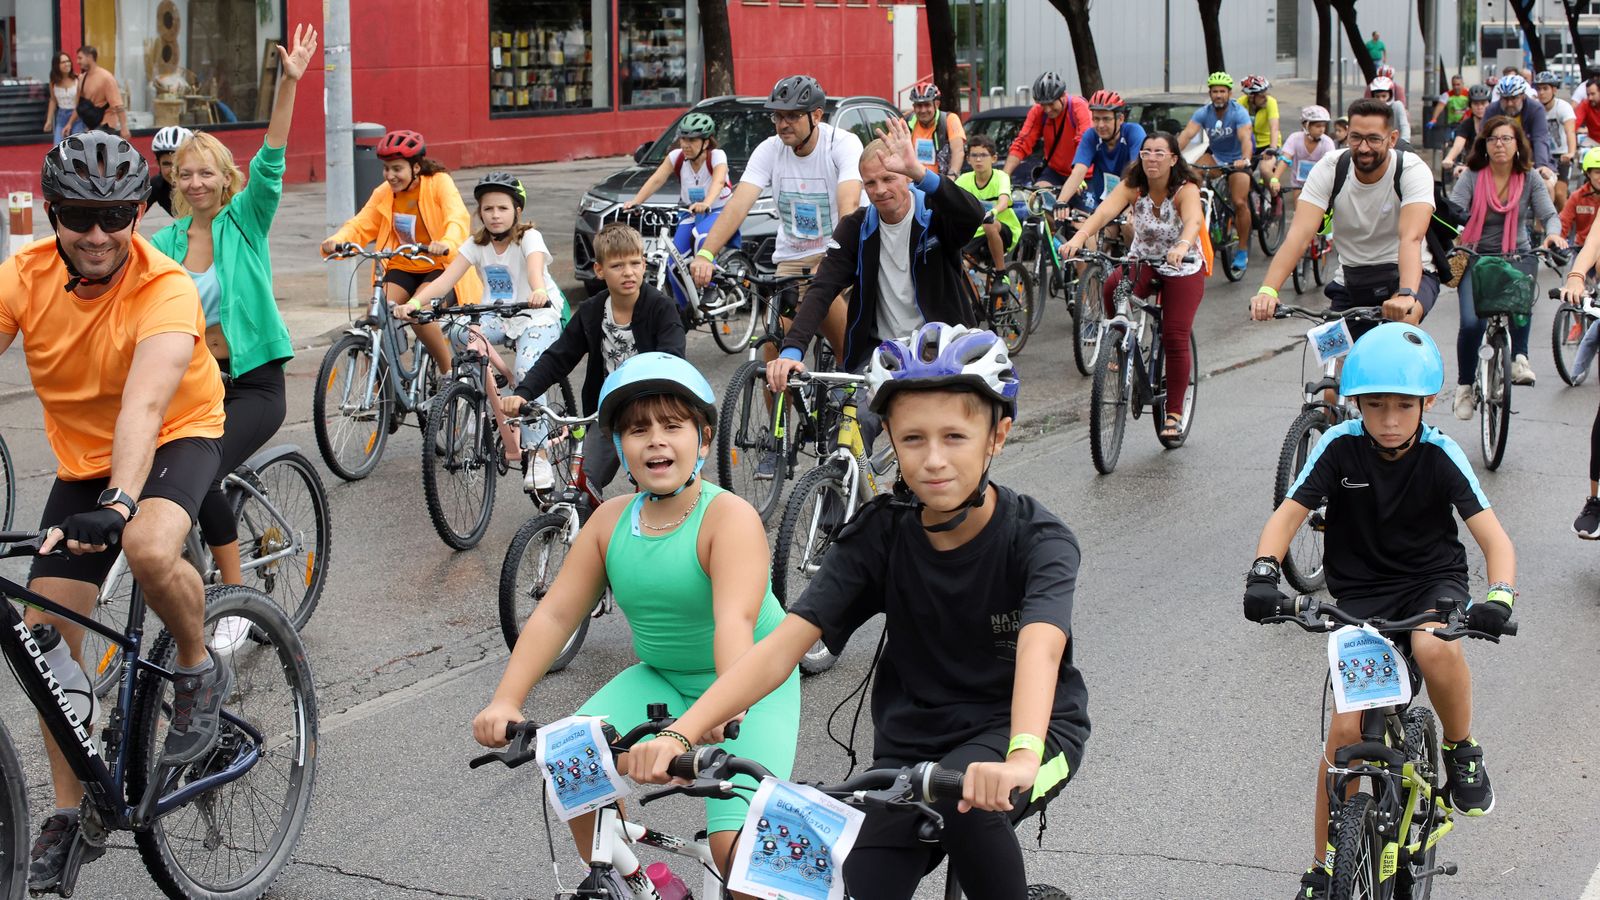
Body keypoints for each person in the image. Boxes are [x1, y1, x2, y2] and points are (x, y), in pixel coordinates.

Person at [627, 323, 1088, 900]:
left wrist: (1021, 756)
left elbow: (1040, 648)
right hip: (908, 756)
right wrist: (681, 734)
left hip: (1029, 738)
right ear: (890, 438)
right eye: (913, 439)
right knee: (827, 883)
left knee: (969, 805)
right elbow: (780, 648)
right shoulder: (880, 534)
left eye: (955, 437)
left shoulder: (1039, 540)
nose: (934, 459)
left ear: (997, 436)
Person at [1, 132, 233, 892]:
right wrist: (99, 488)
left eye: (114, 217)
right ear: (52, 213)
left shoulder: (163, 284)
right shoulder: (23, 276)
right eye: (77, 216)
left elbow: (145, 403)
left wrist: (122, 499)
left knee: (149, 545)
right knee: (40, 640)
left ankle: (197, 668)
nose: (97, 235)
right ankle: (73, 812)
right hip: (83, 462)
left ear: (137, 212)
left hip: (175, 433)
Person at [473, 352, 801, 890]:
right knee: (572, 771)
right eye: (637, 429)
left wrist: (711, 718)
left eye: (673, 426)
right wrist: (506, 700)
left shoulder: (729, 519)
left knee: (738, 857)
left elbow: (734, 625)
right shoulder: (608, 521)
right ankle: (650, 883)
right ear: (621, 445)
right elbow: (555, 614)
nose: (655, 440)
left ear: (703, 437)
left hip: (748, 687)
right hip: (662, 676)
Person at [1244, 322, 1517, 900]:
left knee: (1431, 644)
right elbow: (1289, 513)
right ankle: (1323, 869)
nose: (1389, 419)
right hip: (1361, 598)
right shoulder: (1338, 446)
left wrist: (1499, 596)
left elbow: (1495, 541)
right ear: (1355, 403)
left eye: (1403, 406)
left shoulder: (1441, 454)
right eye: (1374, 405)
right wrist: (1264, 569)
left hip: (1429, 586)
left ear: (1427, 402)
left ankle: (1461, 751)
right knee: (1343, 737)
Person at [148, 24, 316, 653]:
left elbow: (272, 155)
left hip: (252, 384)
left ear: (224, 180)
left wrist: (289, 83)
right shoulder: (160, 246)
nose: (194, 183)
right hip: (193, 385)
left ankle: (235, 597)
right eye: (182, 174)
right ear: (172, 180)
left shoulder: (244, 223)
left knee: (205, 471)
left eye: (205, 174)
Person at [764, 115, 985, 395]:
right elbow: (822, 288)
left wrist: (922, 173)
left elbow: (973, 215)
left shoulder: (933, 212)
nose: (879, 190)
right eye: (870, 183)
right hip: (881, 356)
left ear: (907, 178)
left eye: (888, 178)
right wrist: (792, 350)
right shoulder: (856, 227)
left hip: (942, 351)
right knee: (850, 427)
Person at [687, 75, 862, 385]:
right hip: (792, 258)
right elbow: (738, 205)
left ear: (816, 116)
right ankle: (776, 432)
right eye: (778, 116)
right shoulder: (770, 150)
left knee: (843, 343)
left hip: (839, 250)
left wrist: (834, 254)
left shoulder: (842, 144)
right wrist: (705, 252)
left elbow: (848, 207)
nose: (783, 124)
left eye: (792, 115)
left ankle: (846, 392)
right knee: (773, 351)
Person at [406, 172, 567, 491]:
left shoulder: (528, 238)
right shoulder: (476, 244)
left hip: (537, 315)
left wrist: (537, 290)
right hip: (496, 316)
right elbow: (444, 281)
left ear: (517, 211)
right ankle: (481, 388)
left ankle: (537, 454)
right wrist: (414, 302)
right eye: (488, 209)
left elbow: (535, 269)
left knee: (526, 370)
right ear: (479, 212)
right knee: (454, 330)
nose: (495, 215)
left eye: (502, 208)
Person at [501, 222, 686, 490]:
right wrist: (524, 392)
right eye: (617, 266)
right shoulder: (592, 311)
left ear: (644, 265)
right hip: (608, 413)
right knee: (582, 487)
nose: (628, 273)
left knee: (657, 488)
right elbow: (558, 357)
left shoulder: (661, 308)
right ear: (599, 270)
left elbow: (672, 359)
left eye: (635, 263)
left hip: (655, 413)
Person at [1062, 131, 1204, 440]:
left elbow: (1193, 221)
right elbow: (1102, 213)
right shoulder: (1133, 186)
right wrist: (1078, 237)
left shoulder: (1185, 189)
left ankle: (1175, 412)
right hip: (1143, 261)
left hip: (1183, 266)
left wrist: (1181, 246)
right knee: (1112, 287)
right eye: (1146, 152)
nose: (1152, 158)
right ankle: (1123, 343)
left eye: (1159, 153)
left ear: (1173, 159)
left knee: (1174, 335)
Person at [1251, 100, 1439, 333]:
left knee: (1399, 332)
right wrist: (1268, 290)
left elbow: (1411, 238)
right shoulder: (1331, 168)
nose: (1363, 147)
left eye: (1373, 139)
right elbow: (1299, 235)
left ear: (1392, 139)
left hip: (1405, 274)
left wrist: (1406, 294)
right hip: (1352, 279)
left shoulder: (1411, 170)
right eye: (1356, 137)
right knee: (1336, 356)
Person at [323, 128, 481, 374]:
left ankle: (448, 371)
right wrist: (338, 239)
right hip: (403, 265)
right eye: (386, 168)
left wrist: (447, 241)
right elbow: (361, 223)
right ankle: (378, 393)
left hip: (441, 267)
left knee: (419, 313)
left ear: (416, 167)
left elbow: (456, 217)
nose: (390, 175)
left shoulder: (439, 183)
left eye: (397, 169)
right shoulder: (385, 193)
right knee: (376, 313)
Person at [1449, 116, 1566, 408]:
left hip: (1518, 254)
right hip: (1476, 256)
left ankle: (1519, 359)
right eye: (1492, 139)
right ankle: (1464, 387)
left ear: (1518, 145)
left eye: (1506, 138)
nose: (1499, 144)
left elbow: (1550, 215)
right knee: (1471, 323)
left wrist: (1552, 236)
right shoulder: (1472, 176)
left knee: (1520, 306)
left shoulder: (1529, 177)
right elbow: (1453, 213)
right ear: (1484, 145)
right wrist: (1455, 232)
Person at [622, 112, 734, 310]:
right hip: (691, 212)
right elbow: (657, 179)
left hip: (719, 210)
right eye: (683, 138)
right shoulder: (677, 157)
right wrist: (636, 201)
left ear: (706, 142)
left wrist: (707, 202)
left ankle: (712, 288)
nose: (685, 144)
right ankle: (684, 309)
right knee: (675, 260)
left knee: (702, 238)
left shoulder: (717, 156)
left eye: (691, 140)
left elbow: (718, 181)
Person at [1177, 72, 1254, 272]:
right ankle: (1199, 211)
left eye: (1222, 91)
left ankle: (1243, 249)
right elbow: (1187, 134)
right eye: (1214, 92)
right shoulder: (1204, 112)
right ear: (1210, 94)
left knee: (1239, 202)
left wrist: (1244, 159)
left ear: (1229, 93)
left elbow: (1245, 137)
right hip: (1216, 157)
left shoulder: (1239, 112)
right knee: (1192, 173)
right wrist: (1172, 154)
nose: (1218, 95)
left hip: (1238, 160)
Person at [1054, 88, 1145, 221]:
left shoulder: (1134, 132)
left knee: (1129, 227)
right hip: (1105, 202)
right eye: (1096, 119)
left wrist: (1131, 207)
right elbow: (1078, 172)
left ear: (1120, 119)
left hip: (1133, 197)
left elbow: (1138, 172)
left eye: (1106, 119)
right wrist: (1061, 202)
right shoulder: (1091, 136)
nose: (1100, 125)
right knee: (1091, 234)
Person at [1003, 71, 1093, 188]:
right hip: (1055, 172)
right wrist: (1004, 178)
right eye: (1042, 104)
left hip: (1084, 174)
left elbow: (1084, 144)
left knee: (1078, 204)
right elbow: (1022, 143)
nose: (1047, 109)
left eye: (1051, 104)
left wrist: (1076, 178)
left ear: (1063, 96)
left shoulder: (1079, 107)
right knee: (1039, 195)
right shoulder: (1038, 111)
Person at [956, 134, 1023, 273]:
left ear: (994, 158)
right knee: (960, 269)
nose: (978, 159)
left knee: (989, 223)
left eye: (983, 155)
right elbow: (950, 199)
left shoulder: (1001, 177)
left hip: (1004, 231)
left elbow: (1004, 201)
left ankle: (1000, 272)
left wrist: (993, 212)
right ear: (968, 159)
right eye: (974, 155)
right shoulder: (963, 179)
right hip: (976, 234)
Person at [1482, 74, 1558, 196]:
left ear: (1522, 96)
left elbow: (1540, 139)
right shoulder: (1491, 110)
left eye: (1514, 98)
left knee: (1547, 186)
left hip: (1532, 160)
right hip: (1499, 163)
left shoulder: (1535, 109)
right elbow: (1482, 139)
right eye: (1505, 99)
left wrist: (1542, 165)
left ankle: (1544, 215)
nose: (1510, 103)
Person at [1271, 105, 1337, 201]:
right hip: (1299, 185)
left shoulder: (1327, 143)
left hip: (1320, 186)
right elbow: (1285, 159)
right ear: (1306, 126)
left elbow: (1332, 165)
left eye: (1324, 125)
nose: (1322, 129)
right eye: (1318, 126)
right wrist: (1275, 179)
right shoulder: (1294, 138)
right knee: (1299, 212)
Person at [906, 81, 966, 178]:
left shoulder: (949, 119)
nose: (923, 110)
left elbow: (958, 151)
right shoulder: (906, 121)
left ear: (937, 104)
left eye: (927, 105)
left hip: (941, 181)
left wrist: (952, 175)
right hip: (912, 183)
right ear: (913, 107)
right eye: (919, 106)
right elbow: (888, 148)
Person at [1536, 71, 1579, 208]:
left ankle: (1564, 227)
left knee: (1560, 194)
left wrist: (1571, 153)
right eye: (1539, 89)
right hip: (1541, 156)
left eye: (1545, 88)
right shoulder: (1534, 108)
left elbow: (1570, 131)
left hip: (1561, 156)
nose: (1541, 92)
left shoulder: (1563, 107)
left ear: (1554, 90)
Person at [73, 45, 128, 140]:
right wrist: (69, 124)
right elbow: (79, 105)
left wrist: (124, 128)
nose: (77, 62)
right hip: (91, 125)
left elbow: (118, 105)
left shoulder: (106, 78)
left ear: (90, 57)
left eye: (80, 58)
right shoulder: (82, 78)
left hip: (106, 124)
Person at [1442, 84, 1494, 177]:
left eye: (1483, 103)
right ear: (1470, 105)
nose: (1479, 107)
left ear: (1489, 104)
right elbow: (1458, 145)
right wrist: (1449, 158)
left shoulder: (1496, 123)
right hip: (1472, 166)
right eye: (1476, 104)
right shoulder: (1467, 124)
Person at [1241, 74, 1282, 182]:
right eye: (1262, 96)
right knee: (1243, 173)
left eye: (1266, 94)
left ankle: (1275, 197)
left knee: (1265, 170)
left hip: (1268, 143)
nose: (1266, 98)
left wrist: (1272, 149)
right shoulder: (1240, 104)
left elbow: (1274, 127)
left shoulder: (1271, 102)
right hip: (1250, 143)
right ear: (1251, 97)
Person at [146, 125, 194, 217]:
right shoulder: (157, 186)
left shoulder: (205, 185)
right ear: (157, 163)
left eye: (179, 163)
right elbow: (132, 217)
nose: (174, 170)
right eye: (166, 164)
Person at [1559, 147, 1600, 246]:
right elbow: (1563, 223)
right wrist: (1557, 240)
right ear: (1588, 174)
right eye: (1598, 172)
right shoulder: (1577, 197)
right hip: (1582, 249)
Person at [42, 52, 80, 144]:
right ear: (56, 65)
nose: (67, 64)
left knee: (76, 146)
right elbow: (53, 100)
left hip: (77, 116)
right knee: (58, 146)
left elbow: (80, 103)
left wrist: (70, 123)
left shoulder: (78, 79)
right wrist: (49, 120)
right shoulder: (53, 82)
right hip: (61, 116)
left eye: (68, 61)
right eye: (63, 62)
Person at [1367, 76, 1411, 145]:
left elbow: (1404, 125)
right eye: (1377, 96)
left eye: (1384, 96)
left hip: (1396, 145)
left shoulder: (1397, 106)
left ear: (1390, 95)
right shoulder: (1370, 110)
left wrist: (1404, 142)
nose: (1381, 99)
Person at [1573, 78, 1600, 147]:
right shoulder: (1585, 104)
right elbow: (1574, 124)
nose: (1590, 98)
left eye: (1593, 94)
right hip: (1592, 141)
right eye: (1588, 95)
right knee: (1581, 153)